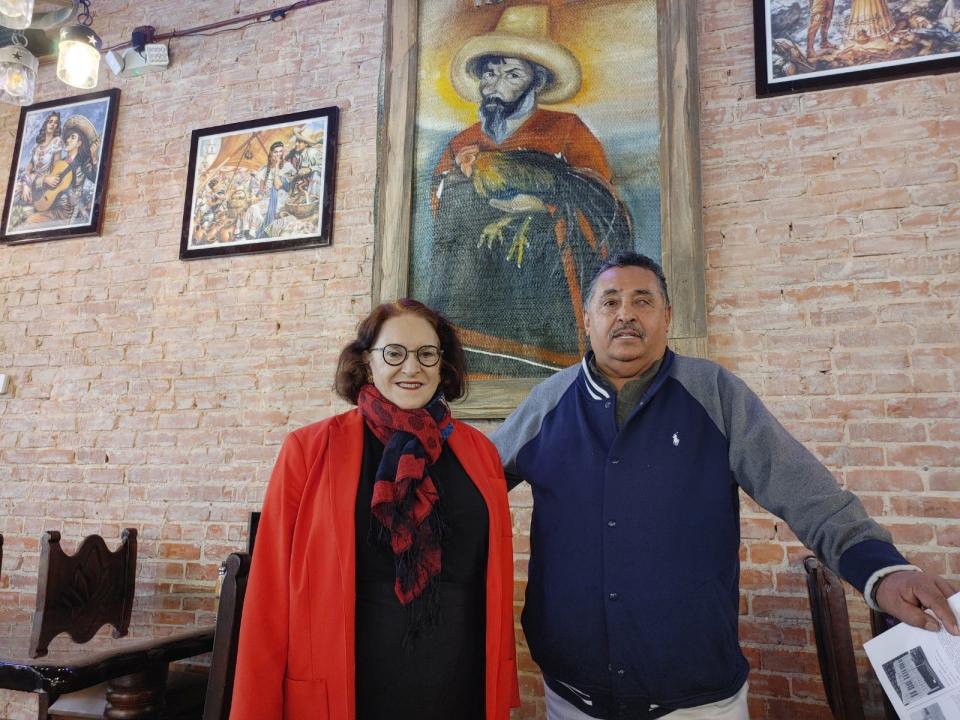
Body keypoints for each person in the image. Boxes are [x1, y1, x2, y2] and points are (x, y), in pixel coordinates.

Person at [491, 251, 959, 720]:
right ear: (587, 319)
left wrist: (883, 570)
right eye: (610, 302)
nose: (626, 313)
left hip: (696, 700)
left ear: (667, 317)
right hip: (573, 694)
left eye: (643, 301)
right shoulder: (549, 401)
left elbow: (808, 495)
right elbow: (475, 483)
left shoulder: (713, 392)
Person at [231, 299, 520, 720]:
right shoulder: (308, 451)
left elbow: (490, 581)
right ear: (366, 363)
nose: (411, 367)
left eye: (427, 354)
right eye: (394, 353)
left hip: (461, 686)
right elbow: (268, 595)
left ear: (443, 366)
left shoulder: (480, 453)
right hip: (349, 692)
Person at [430, 4, 632, 377]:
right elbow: (440, 208)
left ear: (536, 81)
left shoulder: (568, 130)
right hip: (473, 288)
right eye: (490, 73)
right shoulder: (462, 141)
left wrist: (540, 205)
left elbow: (599, 196)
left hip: (543, 287)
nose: (495, 84)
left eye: (512, 74)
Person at [25, 114, 98, 226]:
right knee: (27, 220)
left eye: (72, 137)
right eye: (68, 137)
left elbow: (97, 180)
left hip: (64, 213)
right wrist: (45, 180)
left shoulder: (83, 165)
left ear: (79, 143)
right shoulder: (60, 163)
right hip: (48, 205)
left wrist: (94, 159)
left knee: (30, 222)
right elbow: (42, 178)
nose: (67, 140)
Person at [14, 111, 63, 210]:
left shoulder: (56, 142)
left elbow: (57, 168)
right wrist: (26, 184)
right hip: (31, 180)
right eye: (50, 121)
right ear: (45, 124)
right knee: (15, 191)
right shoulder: (36, 147)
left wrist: (44, 179)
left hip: (45, 183)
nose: (53, 124)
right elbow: (28, 170)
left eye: (56, 122)